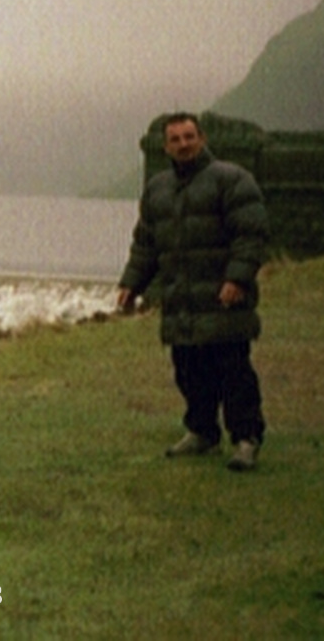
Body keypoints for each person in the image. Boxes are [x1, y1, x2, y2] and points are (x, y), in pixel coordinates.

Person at [116, 112, 269, 471]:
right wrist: (131, 283)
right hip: (180, 302)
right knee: (188, 373)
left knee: (234, 374)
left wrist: (237, 279)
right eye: (175, 139)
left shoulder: (231, 179)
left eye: (189, 137)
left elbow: (251, 234)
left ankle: (246, 439)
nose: (183, 145)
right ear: (166, 146)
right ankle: (202, 432)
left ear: (201, 139)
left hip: (223, 301)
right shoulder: (157, 189)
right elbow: (146, 243)